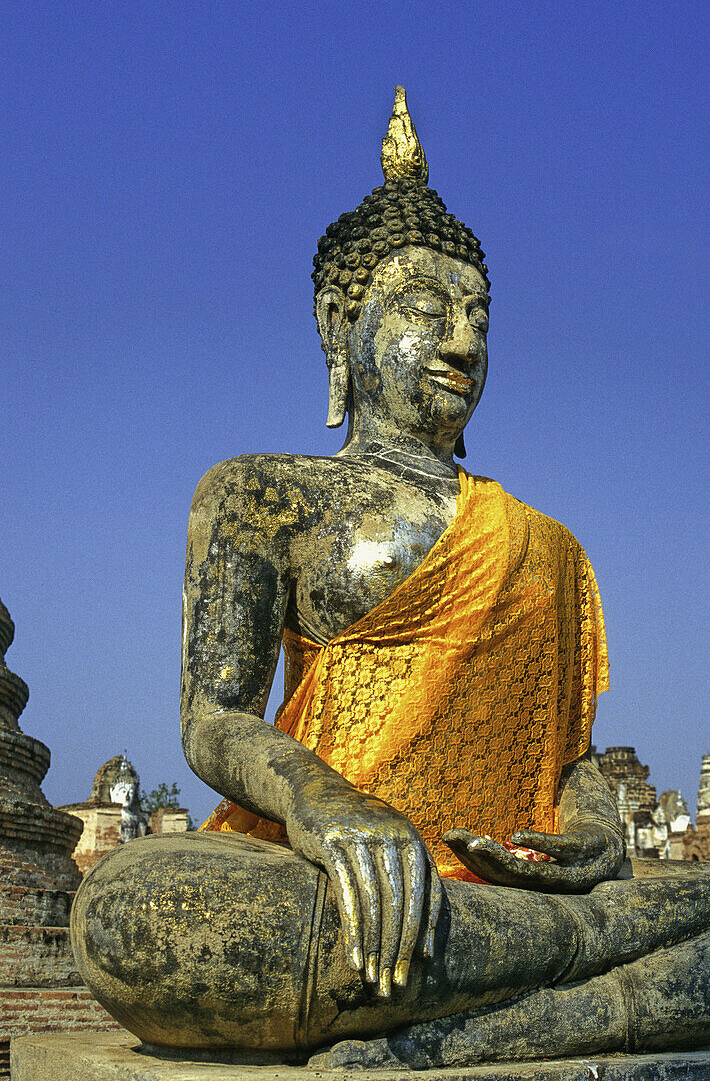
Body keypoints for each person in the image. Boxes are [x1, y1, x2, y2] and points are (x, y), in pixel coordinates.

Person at [71, 89, 710, 1066]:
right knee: (134, 913)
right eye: (425, 309)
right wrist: (327, 803)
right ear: (339, 321)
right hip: (322, 877)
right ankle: (591, 970)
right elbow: (214, 718)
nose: (461, 340)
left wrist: (589, 828)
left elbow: (569, 755)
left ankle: (527, 989)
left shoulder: (547, 544)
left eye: (478, 316)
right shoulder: (262, 495)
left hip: (494, 899)